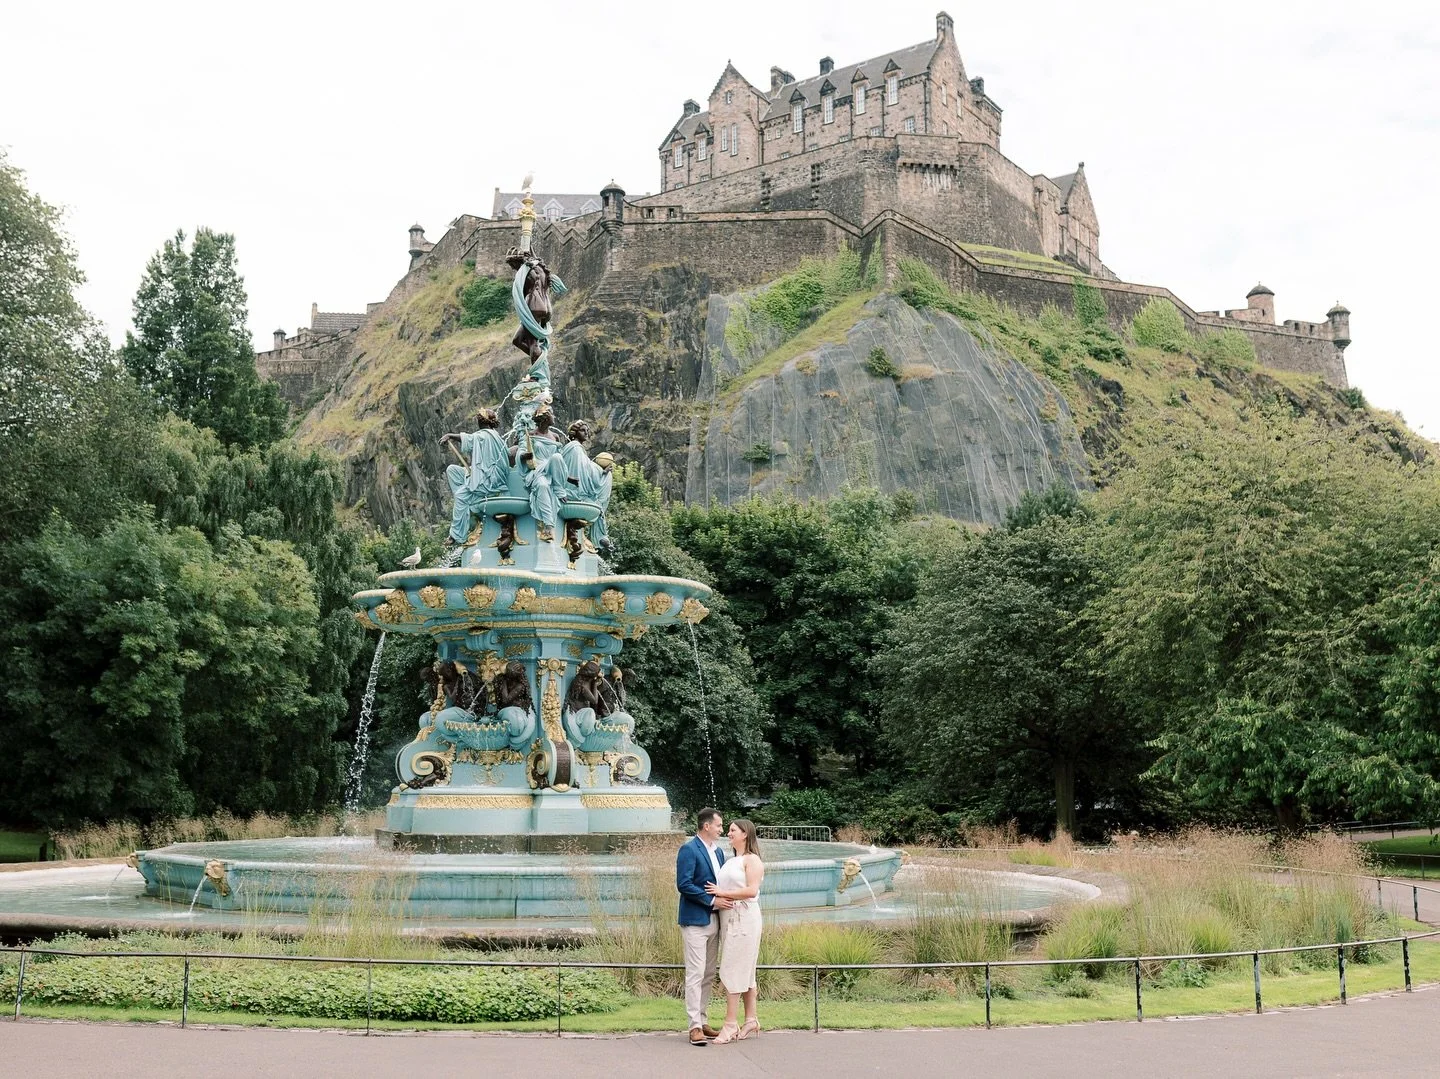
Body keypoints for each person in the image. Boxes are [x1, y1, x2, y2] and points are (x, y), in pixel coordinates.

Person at [705, 818, 765, 1043]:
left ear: (745, 834)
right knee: (745, 969)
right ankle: (750, 1019)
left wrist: (722, 893)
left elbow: (751, 890)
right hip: (729, 917)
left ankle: (730, 1024)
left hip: (744, 918)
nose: (728, 833)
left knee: (733, 968)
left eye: (732, 830)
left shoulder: (752, 860)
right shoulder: (731, 860)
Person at [676, 808, 732, 1046]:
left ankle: (703, 1019)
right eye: (719, 825)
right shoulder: (689, 849)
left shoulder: (718, 852)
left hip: (715, 920)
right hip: (695, 920)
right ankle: (694, 1027)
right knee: (695, 973)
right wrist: (711, 901)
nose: (722, 829)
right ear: (706, 826)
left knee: (708, 973)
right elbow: (684, 884)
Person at [440, 408, 509, 547]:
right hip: (484, 472)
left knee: (460, 496)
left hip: (489, 480)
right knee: (452, 470)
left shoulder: (485, 435)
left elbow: (469, 439)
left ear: (482, 421)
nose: (477, 422)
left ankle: (457, 535)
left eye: (478, 419)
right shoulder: (494, 435)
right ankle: (469, 503)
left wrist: (450, 435)